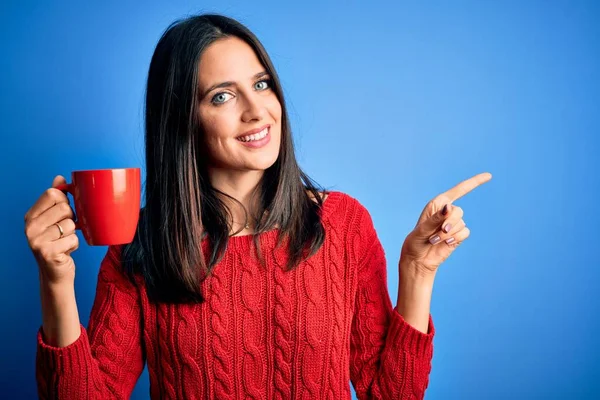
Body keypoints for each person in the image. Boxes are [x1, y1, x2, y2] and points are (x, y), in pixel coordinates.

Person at [24, 13, 491, 400]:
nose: (256, 110)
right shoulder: (143, 248)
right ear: (182, 120)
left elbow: (388, 394)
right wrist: (56, 281)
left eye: (262, 84)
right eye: (222, 96)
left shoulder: (344, 224)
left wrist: (417, 271)